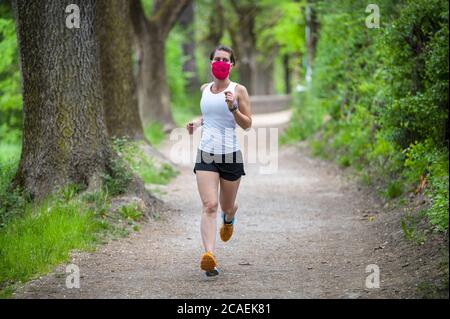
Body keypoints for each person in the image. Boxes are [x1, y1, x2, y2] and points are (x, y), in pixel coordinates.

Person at [186, 45, 252, 277]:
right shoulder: (205, 89)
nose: (221, 62)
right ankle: (210, 257)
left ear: (232, 64)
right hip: (206, 154)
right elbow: (210, 115)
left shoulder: (239, 90)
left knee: (225, 206)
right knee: (209, 205)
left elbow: (247, 124)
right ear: (211, 61)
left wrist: (233, 108)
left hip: (231, 155)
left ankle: (230, 217)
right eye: (217, 59)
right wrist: (197, 123)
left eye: (225, 59)